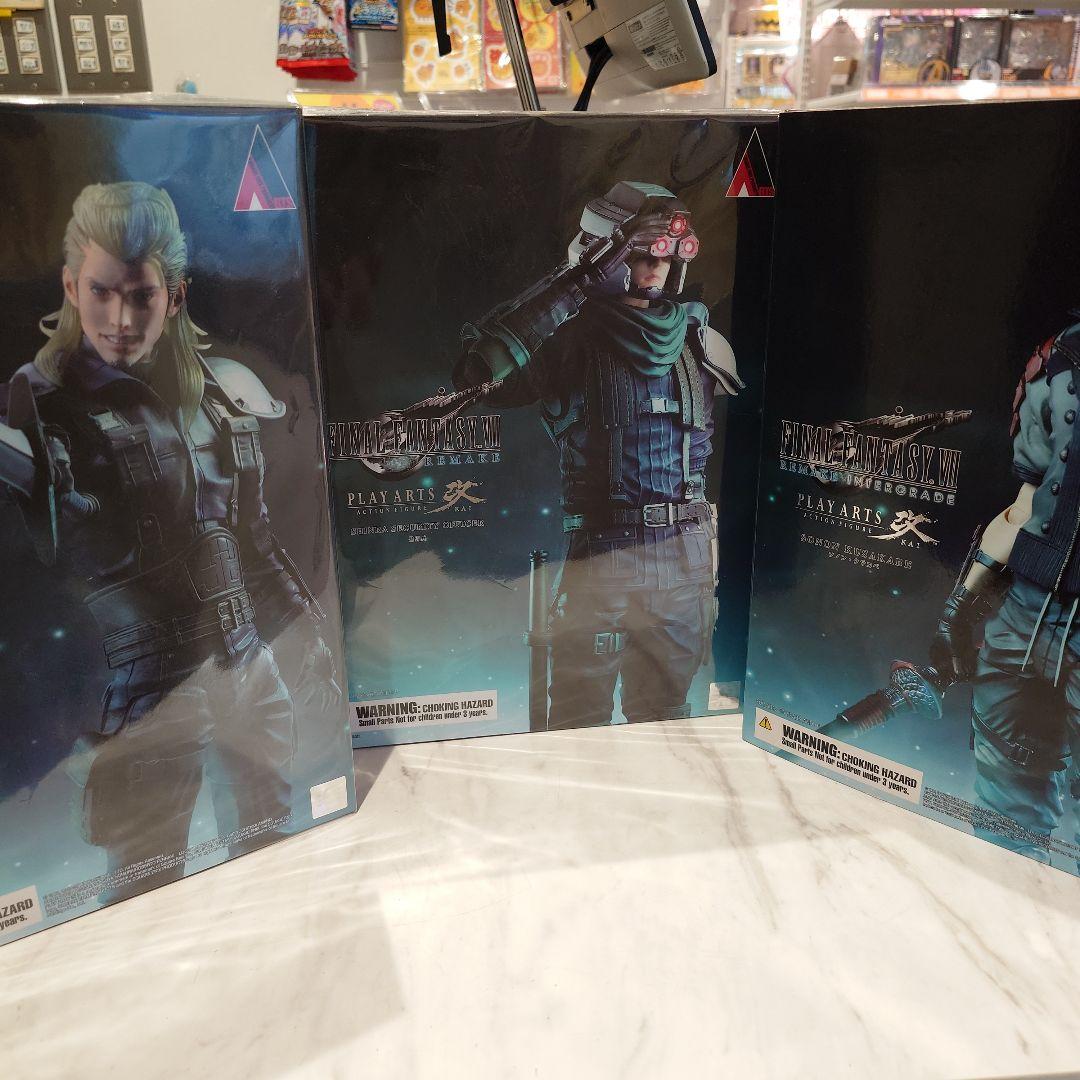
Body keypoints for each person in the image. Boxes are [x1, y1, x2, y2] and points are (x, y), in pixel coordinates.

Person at [0, 181, 338, 901]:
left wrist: (308, 638)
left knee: (276, 862)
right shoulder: (44, 406)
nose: (120, 319)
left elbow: (254, 543)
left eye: (141, 296)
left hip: (249, 667)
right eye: (100, 292)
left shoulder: (217, 391)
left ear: (175, 297)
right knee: (148, 886)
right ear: (70, 287)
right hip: (150, 693)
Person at [453, 181, 742, 729]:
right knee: (579, 716)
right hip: (604, 557)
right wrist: (573, 282)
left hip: (684, 557)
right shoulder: (569, 342)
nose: (655, 269)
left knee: (666, 717)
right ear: (605, 258)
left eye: (664, 256)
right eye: (640, 255)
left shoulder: (699, 341)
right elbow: (478, 376)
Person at [931, 319, 1080, 863]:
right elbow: (1027, 501)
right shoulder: (1065, 354)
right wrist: (960, 606)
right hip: (1022, 615)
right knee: (1003, 827)